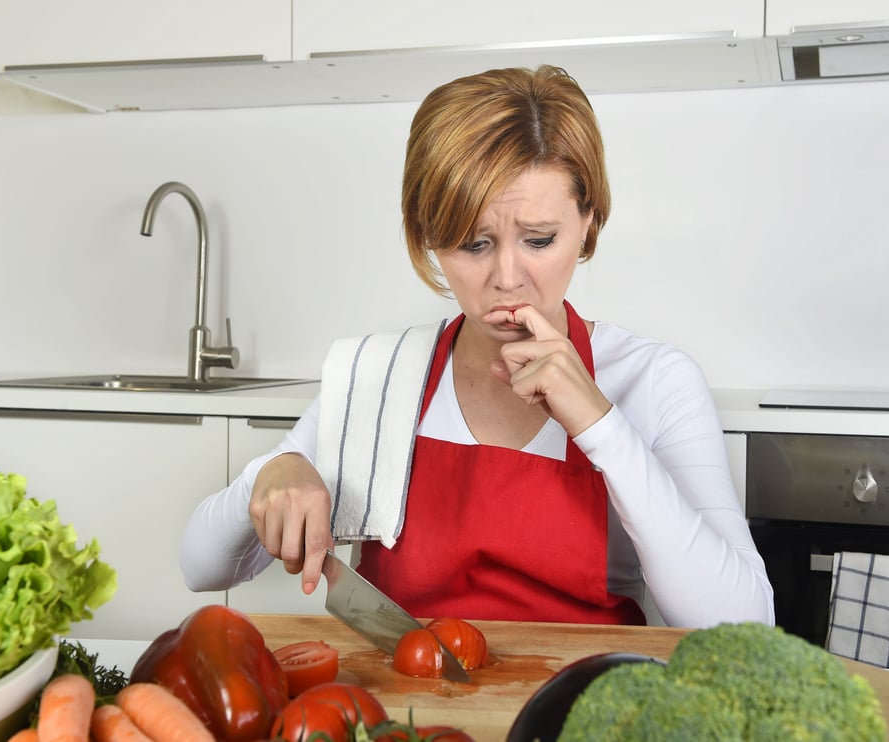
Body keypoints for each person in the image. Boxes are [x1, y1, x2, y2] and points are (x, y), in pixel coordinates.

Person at [180, 65, 775, 629]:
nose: (508, 278)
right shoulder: (381, 377)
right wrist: (273, 470)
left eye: (539, 240)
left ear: (589, 220)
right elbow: (201, 566)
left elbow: (743, 625)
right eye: (473, 244)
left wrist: (601, 425)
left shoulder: (654, 381)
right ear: (428, 237)